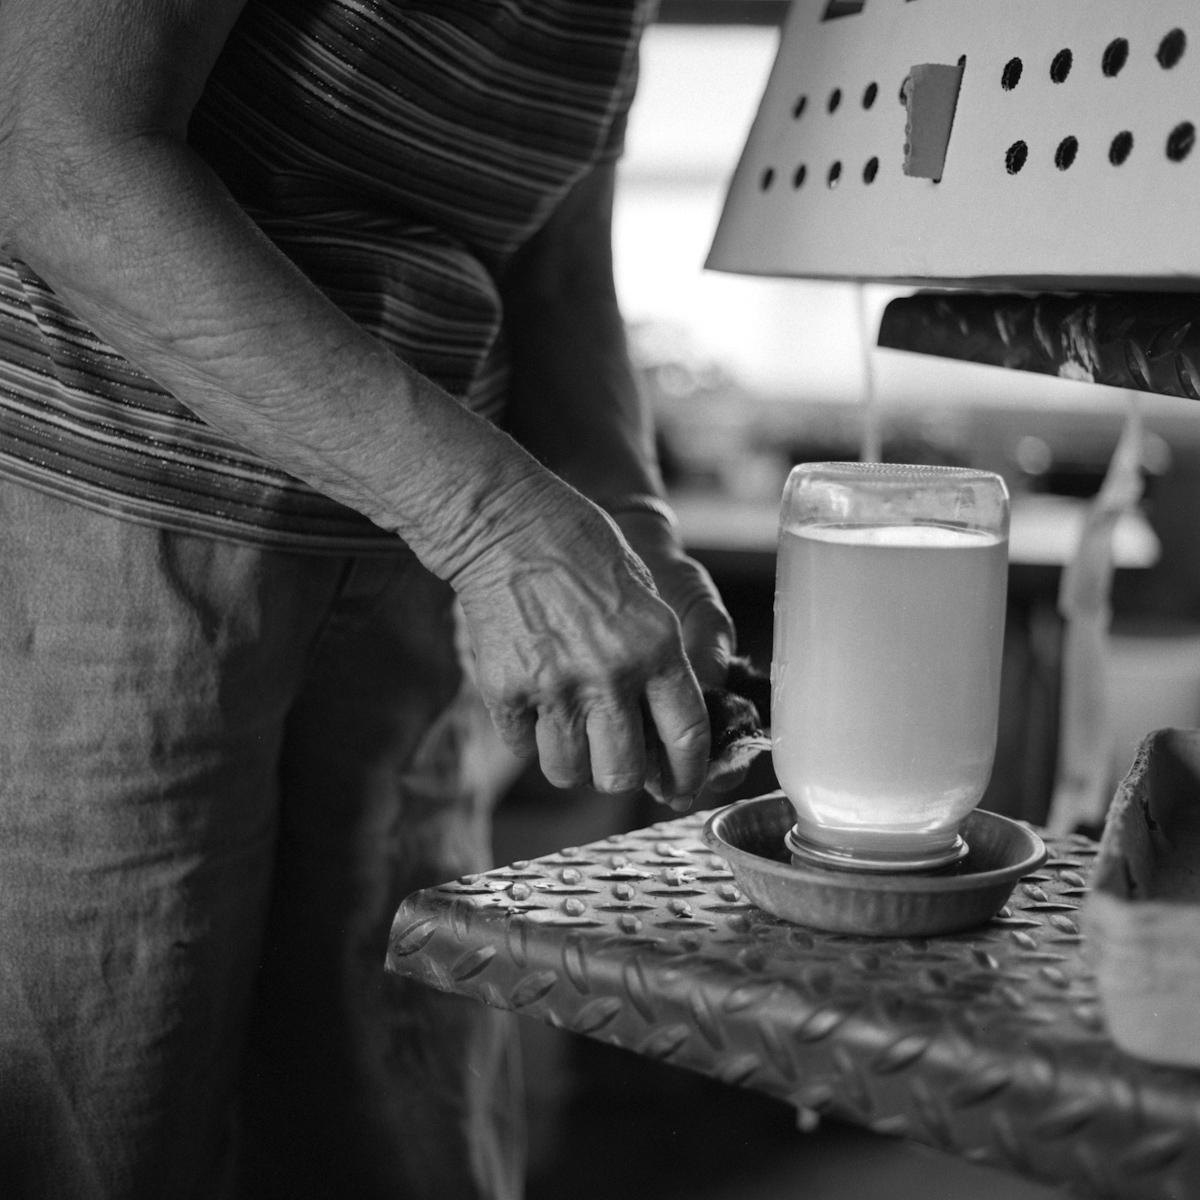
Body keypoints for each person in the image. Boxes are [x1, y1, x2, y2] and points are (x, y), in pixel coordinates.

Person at [0, 0, 735, 1196]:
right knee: (111, 1124)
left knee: (400, 1134)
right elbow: (58, 152)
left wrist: (628, 527)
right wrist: (499, 527)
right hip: (112, 537)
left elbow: (556, 269)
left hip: (413, 572)